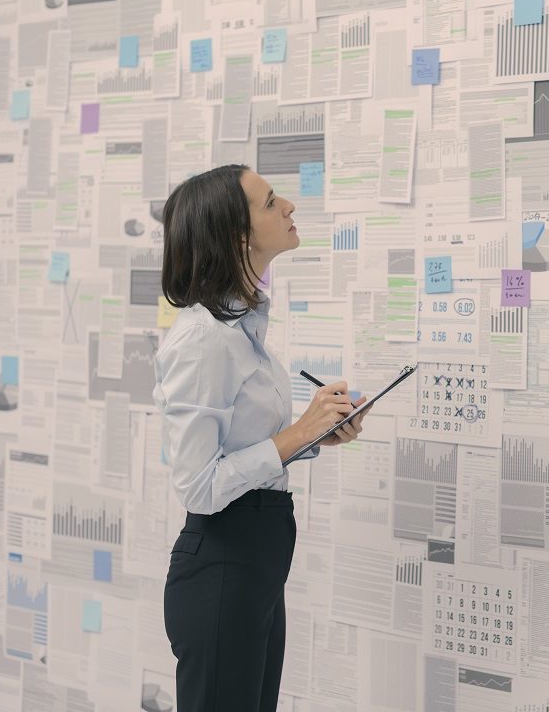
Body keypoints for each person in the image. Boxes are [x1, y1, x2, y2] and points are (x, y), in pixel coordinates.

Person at [153, 163, 371, 711]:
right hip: (224, 566)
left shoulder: (246, 331)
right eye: (272, 201)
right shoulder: (203, 340)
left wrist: (316, 436)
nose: (290, 206)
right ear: (238, 236)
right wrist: (297, 431)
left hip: (256, 566)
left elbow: (244, 452)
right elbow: (199, 486)